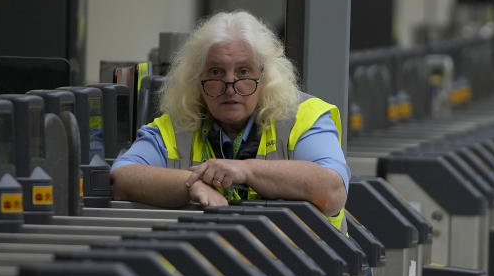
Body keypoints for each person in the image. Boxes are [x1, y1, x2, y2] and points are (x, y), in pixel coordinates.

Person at [111, 11, 350, 229]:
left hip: (309, 270)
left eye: (243, 72)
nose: (230, 87)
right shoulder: (177, 125)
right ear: (197, 79)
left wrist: (247, 170)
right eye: (216, 72)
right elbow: (122, 177)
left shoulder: (304, 116)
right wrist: (191, 184)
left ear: (264, 76)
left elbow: (332, 190)